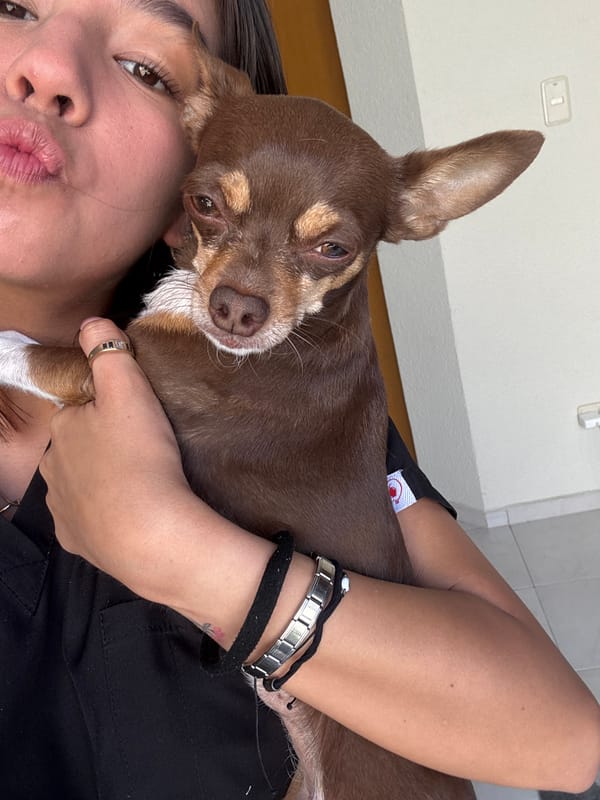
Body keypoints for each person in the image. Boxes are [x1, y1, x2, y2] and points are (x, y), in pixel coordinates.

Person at [0, 0, 598, 797]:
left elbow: (562, 740)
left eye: (145, 68)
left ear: (192, 129)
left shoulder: (321, 406)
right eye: (15, 7)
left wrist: (182, 554)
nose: (48, 73)